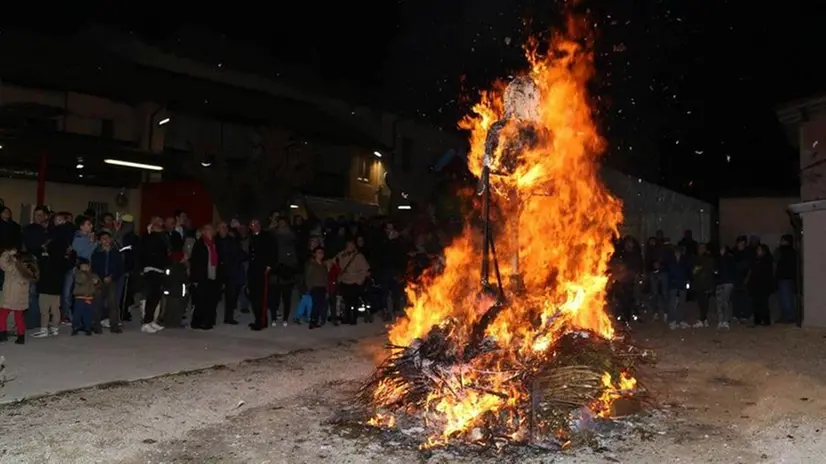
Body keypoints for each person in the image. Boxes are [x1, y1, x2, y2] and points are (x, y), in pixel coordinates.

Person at [32, 239, 70, 338]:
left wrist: (43, 246)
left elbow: (35, 251)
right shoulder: (63, 261)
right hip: (56, 290)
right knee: (55, 310)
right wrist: (70, 251)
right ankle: (55, 328)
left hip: (44, 288)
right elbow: (72, 261)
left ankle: (44, 329)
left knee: (44, 310)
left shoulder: (45, 260)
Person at [0, 249, 38, 344]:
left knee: (2, 317)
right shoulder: (27, 270)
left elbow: (3, 263)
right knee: (19, 319)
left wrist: (7, 253)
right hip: (21, 299)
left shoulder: (13, 268)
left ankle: (2, 334)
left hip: (9, 298)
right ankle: (21, 337)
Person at [90, 231, 124, 333]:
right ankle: (96, 326)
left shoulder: (116, 253)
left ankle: (114, 326)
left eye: (107, 238)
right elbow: (94, 268)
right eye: (103, 238)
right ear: (100, 241)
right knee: (97, 304)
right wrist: (100, 277)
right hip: (99, 281)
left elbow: (120, 267)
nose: (105, 240)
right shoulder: (96, 253)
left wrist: (112, 277)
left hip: (112, 280)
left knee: (113, 304)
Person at [140, 217, 170, 334]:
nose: (160, 224)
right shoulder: (148, 236)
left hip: (160, 268)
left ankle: (151, 320)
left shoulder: (162, 236)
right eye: (158, 222)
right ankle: (146, 322)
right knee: (151, 296)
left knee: (156, 297)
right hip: (151, 268)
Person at [189, 225, 221, 330]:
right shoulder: (199, 244)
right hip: (202, 276)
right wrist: (195, 278)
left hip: (213, 276)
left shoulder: (215, 244)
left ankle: (207, 322)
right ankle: (197, 322)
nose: (210, 231)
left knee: (211, 301)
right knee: (200, 301)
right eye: (207, 229)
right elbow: (194, 262)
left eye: (211, 229)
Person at [335, 239, 370, 325]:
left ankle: (353, 319)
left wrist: (359, 281)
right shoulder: (341, 255)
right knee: (346, 301)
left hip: (354, 281)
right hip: (344, 280)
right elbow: (334, 261)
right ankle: (346, 318)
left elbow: (365, 269)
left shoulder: (359, 256)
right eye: (348, 245)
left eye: (351, 245)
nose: (349, 247)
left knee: (354, 302)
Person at [216, 222, 244, 325]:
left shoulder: (232, 240)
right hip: (218, 271)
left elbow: (239, 252)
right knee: (214, 296)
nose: (223, 229)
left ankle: (229, 317)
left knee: (231, 296)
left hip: (231, 271)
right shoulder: (215, 241)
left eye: (225, 228)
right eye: (221, 228)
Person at [247, 219, 273, 331]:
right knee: (254, 295)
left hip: (262, 269)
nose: (255, 226)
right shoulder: (251, 237)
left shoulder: (266, 236)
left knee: (261, 296)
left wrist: (269, 265)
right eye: (253, 225)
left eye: (257, 224)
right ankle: (259, 319)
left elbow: (272, 251)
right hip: (253, 269)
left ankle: (261, 321)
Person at [748, 244, 774, 327]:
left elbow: (767, 274)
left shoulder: (767, 260)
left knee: (763, 303)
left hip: (763, 285)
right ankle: (757, 321)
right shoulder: (756, 260)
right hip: (756, 285)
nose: (757, 251)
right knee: (756, 304)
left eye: (759, 250)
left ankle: (766, 321)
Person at [72, 258, 98, 336]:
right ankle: (76, 327)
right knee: (77, 313)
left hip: (89, 297)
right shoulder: (78, 274)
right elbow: (81, 280)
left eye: (86, 266)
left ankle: (88, 327)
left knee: (88, 314)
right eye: (83, 266)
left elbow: (98, 283)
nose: (85, 267)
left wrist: (97, 282)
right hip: (79, 297)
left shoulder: (93, 274)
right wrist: (87, 274)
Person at [691, 243, 715, 328]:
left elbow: (709, 269)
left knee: (705, 301)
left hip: (706, 283)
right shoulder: (695, 258)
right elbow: (693, 271)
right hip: (698, 283)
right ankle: (704, 319)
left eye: (702, 248)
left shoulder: (708, 258)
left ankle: (702, 319)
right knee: (700, 302)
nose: (700, 249)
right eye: (699, 248)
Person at [306, 246, 329, 329]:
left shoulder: (324, 265)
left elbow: (326, 278)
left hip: (322, 287)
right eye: (319, 253)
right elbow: (308, 277)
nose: (321, 254)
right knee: (316, 305)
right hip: (315, 287)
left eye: (322, 253)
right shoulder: (312, 265)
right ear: (315, 254)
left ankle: (318, 320)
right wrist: (310, 288)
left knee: (321, 305)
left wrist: (327, 289)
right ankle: (313, 322)